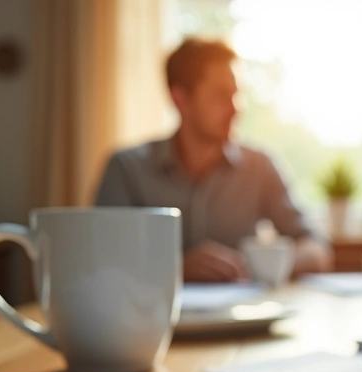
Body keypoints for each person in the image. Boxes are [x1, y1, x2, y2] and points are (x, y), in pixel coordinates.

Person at [95, 38, 331, 282]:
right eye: (221, 96)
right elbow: (99, 258)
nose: (236, 108)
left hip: (243, 318)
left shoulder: (259, 167)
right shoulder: (127, 169)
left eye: (237, 94)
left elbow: (316, 248)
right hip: (148, 318)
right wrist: (176, 267)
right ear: (180, 99)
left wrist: (260, 266)